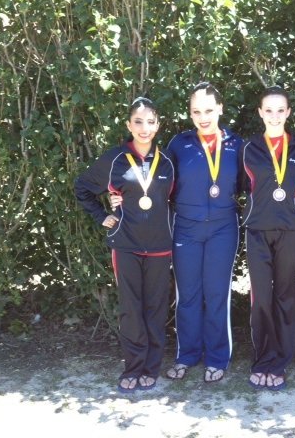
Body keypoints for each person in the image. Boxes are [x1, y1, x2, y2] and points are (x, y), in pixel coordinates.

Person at [74, 97, 174, 393]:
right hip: (126, 245)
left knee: (155, 308)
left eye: (150, 122)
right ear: (129, 125)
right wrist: (102, 215)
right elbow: (82, 187)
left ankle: (151, 367)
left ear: (158, 125)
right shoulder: (115, 159)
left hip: (160, 246)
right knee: (131, 308)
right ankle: (133, 366)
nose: (145, 128)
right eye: (138, 122)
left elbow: (178, 199)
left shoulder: (168, 161)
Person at [164, 82, 243, 383]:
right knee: (188, 294)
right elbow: (160, 182)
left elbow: (254, 183)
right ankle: (187, 354)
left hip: (223, 227)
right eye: (196, 111)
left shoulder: (236, 144)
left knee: (216, 293)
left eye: (209, 110)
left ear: (220, 109)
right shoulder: (179, 144)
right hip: (186, 226)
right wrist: (122, 194)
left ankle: (217, 357)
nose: (203, 117)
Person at [239, 86, 295, 391]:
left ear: (289, 113)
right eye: (269, 110)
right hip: (257, 229)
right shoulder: (248, 149)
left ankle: (279, 361)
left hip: (290, 229)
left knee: (286, 296)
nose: (275, 116)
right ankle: (262, 358)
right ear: (260, 113)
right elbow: (241, 186)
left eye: (281, 110)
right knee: (261, 299)